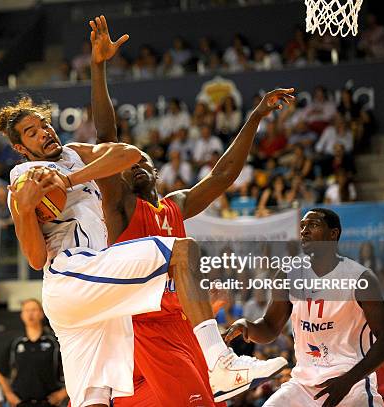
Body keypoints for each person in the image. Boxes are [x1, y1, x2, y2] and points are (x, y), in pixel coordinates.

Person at [0, 16, 283, 406]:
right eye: (31, 132)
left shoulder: (78, 159)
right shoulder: (29, 175)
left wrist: (70, 178)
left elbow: (130, 153)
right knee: (183, 250)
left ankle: (213, 361)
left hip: (106, 300)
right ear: (20, 147)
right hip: (77, 276)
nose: (44, 132)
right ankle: (219, 361)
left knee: (95, 401)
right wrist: (24, 212)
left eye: (44, 125)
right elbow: (34, 255)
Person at [88, 17, 293, 406]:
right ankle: (219, 361)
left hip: (184, 324)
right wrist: (98, 68)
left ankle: (218, 364)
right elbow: (105, 138)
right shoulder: (119, 206)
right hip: (144, 324)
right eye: (127, 162)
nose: (137, 163)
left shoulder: (174, 205)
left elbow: (222, 176)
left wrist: (255, 118)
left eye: (142, 158)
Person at [225, 208, 384, 406]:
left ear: (333, 234)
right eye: (303, 226)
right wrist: (247, 327)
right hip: (303, 385)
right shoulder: (288, 274)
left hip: (352, 384)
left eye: (313, 225)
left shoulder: (360, 278)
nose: (305, 231)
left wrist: (349, 380)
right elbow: (270, 327)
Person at [0, 299, 67, 407]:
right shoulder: (16, 343)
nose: (30, 313)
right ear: (22, 315)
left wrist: (63, 393)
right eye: (26, 310)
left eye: (34, 310)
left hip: (48, 403)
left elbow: (74, 369)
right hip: (22, 403)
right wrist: (9, 394)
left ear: (42, 314)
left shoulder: (54, 342)